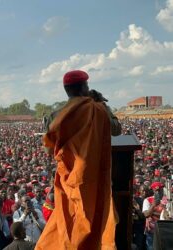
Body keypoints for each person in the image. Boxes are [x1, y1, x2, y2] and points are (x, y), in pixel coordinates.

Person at [36, 70, 121, 250]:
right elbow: (116, 130)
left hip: (69, 179)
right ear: (84, 88)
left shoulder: (56, 116)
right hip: (94, 177)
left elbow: (48, 149)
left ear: (67, 90)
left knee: (69, 219)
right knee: (97, 217)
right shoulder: (98, 109)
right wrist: (102, 105)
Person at [142, 181, 166, 250]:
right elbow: (146, 214)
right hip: (151, 231)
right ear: (154, 190)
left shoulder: (166, 200)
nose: (160, 191)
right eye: (158, 190)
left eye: (161, 189)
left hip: (164, 231)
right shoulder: (147, 200)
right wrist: (153, 205)